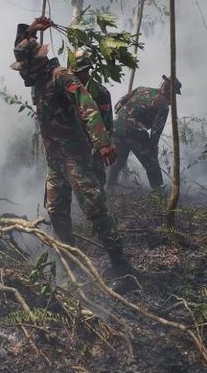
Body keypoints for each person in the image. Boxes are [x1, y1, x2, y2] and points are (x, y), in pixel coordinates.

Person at [10, 17, 136, 287]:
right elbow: (20, 49)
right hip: (55, 160)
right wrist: (30, 30)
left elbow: (85, 102)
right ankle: (71, 265)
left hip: (76, 157)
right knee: (56, 211)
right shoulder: (37, 80)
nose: (22, 73)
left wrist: (102, 142)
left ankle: (122, 267)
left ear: (38, 63)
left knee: (94, 208)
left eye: (25, 68)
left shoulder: (61, 77)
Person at [106, 75, 181, 191]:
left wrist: (125, 117)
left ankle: (109, 190)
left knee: (117, 162)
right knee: (152, 166)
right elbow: (156, 133)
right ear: (169, 90)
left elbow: (118, 105)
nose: (173, 98)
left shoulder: (141, 89)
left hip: (115, 127)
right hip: (134, 132)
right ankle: (159, 195)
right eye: (174, 94)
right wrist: (153, 152)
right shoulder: (163, 106)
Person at [73, 49, 113, 185]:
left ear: (88, 71)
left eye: (81, 72)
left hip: (94, 144)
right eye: (75, 73)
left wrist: (101, 147)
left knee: (96, 182)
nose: (78, 76)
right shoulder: (69, 90)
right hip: (74, 143)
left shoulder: (100, 93)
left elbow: (106, 124)